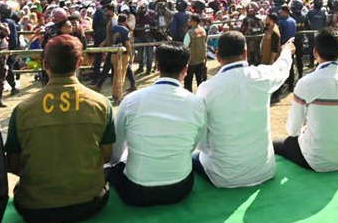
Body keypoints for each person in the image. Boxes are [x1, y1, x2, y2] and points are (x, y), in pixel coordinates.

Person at [5, 35, 115, 223]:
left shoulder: (23, 110)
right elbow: (106, 155)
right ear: (80, 62)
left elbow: (13, 164)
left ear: (45, 64)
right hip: (90, 203)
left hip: (35, 208)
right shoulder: (101, 104)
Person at [106, 42, 206, 207]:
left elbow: (116, 151)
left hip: (136, 192)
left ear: (157, 66)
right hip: (181, 188)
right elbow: (193, 144)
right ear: (185, 69)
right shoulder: (197, 103)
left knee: (112, 167)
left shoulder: (132, 100)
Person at [193, 31, 295, 188]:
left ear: (218, 55)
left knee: (193, 157)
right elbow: (282, 68)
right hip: (264, 170)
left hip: (223, 176)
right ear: (245, 53)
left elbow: (202, 138)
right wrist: (287, 51)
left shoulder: (207, 88)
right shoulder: (262, 75)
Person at [274, 28, 338, 171]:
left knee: (278, 144)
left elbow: (293, 130)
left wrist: (304, 130)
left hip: (315, 160)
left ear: (315, 52)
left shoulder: (306, 83)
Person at [183, 14, 207, 91]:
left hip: (191, 61)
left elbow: (185, 46)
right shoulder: (203, 30)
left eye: (190, 20)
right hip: (201, 59)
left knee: (188, 82)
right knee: (200, 81)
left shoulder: (190, 33)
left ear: (194, 22)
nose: (188, 22)